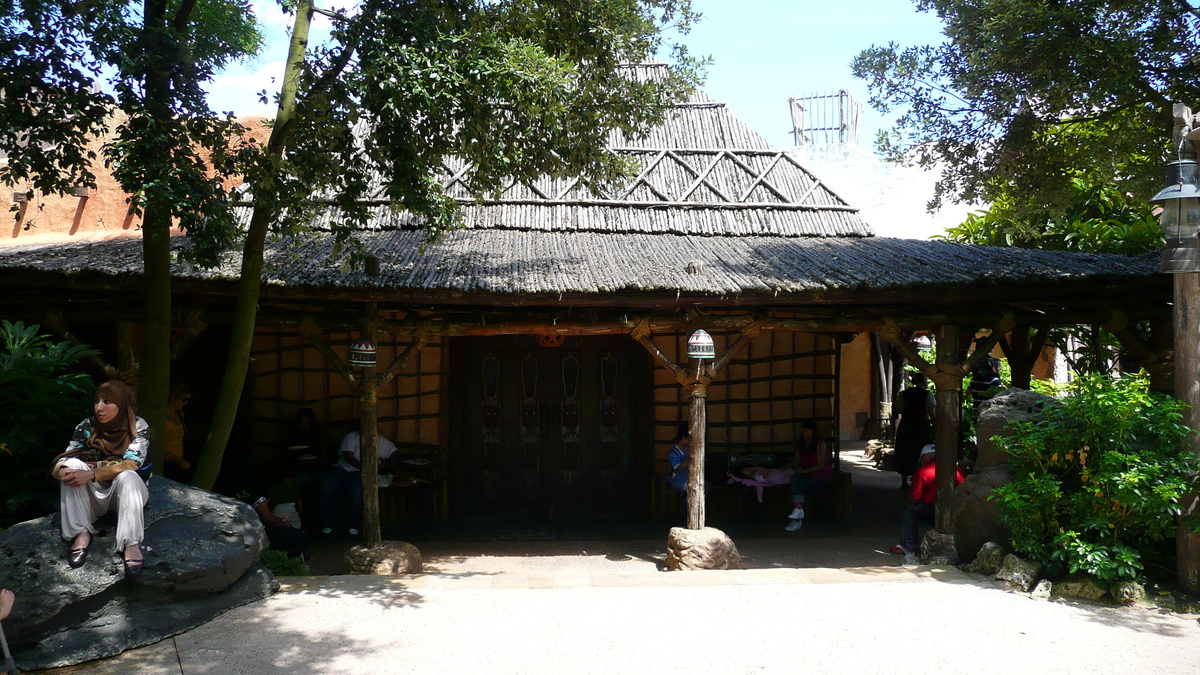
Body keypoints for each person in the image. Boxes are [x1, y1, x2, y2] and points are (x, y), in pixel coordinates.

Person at [50, 380, 150, 574]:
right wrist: (63, 472)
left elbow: (132, 463)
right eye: (97, 401)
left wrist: (92, 474)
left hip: (126, 494)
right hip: (92, 497)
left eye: (107, 402)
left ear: (122, 405)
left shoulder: (137, 426)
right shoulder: (86, 426)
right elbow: (64, 458)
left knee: (128, 475)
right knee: (71, 465)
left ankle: (131, 543)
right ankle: (81, 533)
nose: (99, 407)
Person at [890, 444, 964, 555]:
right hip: (955, 508)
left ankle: (907, 546)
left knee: (908, 510)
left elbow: (914, 499)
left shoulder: (923, 471)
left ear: (924, 457)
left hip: (931, 509)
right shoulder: (957, 470)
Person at [320, 429, 397, 535]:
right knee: (326, 487)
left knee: (357, 490)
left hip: (359, 472)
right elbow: (349, 458)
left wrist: (383, 464)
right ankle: (331, 522)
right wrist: (368, 467)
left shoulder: (379, 439)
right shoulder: (351, 437)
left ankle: (352, 524)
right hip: (342, 468)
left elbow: (394, 453)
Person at [785, 419, 833, 532]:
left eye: (807, 430)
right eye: (803, 430)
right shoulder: (801, 445)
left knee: (799, 485)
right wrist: (794, 467)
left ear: (813, 431)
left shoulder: (820, 444)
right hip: (806, 473)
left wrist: (804, 472)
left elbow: (820, 465)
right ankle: (798, 509)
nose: (805, 433)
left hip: (821, 476)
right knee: (795, 478)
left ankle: (797, 519)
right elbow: (796, 461)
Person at [893, 373, 935, 490]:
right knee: (921, 452)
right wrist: (936, 424)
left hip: (906, 425)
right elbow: (931, 411)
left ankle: (904, 481)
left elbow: (899, 409)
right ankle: (918, 480)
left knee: (905, 451)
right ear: (923, 382)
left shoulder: (904, 394)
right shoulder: (927, 395)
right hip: (921, 426)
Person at [162, 381, 192, 481]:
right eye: (184, 399)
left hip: (180, 465)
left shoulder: (181, 415)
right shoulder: (160, 417)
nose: (186, 402)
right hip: (164, 466)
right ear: (174, 398)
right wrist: (178, 460)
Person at [666, 424, 690, 494]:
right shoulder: (673, 452)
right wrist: (688, 461)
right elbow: (677, 468)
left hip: (687, 477)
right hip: (678, 479)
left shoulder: (687, 448)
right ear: (684, 438)